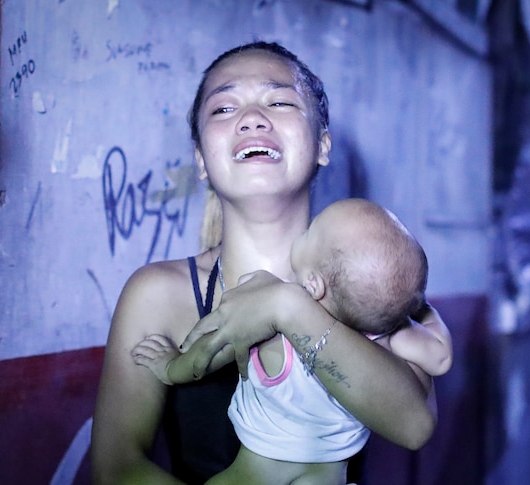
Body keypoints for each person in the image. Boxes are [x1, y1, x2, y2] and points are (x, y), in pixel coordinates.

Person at [91, 41, 442, 485]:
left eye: (279, 101)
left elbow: (414, 426)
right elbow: (115, 468)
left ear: (322, 144)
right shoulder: (156, 294)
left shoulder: (371, 273)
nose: (252, 118)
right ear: (201, 160)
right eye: (223, 109)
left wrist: (287, 308)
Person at [131, 198, 453, 484]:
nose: (306, 231)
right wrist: (412, 306)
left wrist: (171, 366)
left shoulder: (268, 320)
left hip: (256, 472)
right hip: (330, 475)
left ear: (313, 283)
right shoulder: (384, 338)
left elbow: (209, 353)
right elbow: (440, 357)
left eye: (312, 231)